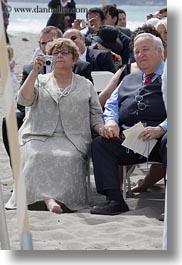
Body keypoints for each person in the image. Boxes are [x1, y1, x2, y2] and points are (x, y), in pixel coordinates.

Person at [6, 38, 104, 214]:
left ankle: (57, 198)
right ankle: (49, 199)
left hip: (73, 138)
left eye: (65, 52)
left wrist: (101, 128)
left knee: (69, 157)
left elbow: (95, 114)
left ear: (74, 59)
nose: (59, 55)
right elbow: (24, 99)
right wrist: (34, 73)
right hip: (38, 135)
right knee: (36, 155)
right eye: (55, 52)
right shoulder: (39, 80)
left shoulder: (85, 84)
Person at [90, 33, 167, 215]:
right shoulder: (128, 79)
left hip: (162, 135)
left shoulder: (173, 76)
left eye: (145, 50)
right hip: (132, 137)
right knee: (101, 144)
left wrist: (160, 129)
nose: (140, 55)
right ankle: (115, 200)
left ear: (160, 52)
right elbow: (111, 104)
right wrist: (110, 121)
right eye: (137, 51)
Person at [2, 26, 93, 162]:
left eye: (50, 41)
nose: (46, 46)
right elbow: (22, 103)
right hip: (38, 117)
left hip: (69, 119)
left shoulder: (81, 67)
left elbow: (87, 100)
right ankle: (17, 165)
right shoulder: (30, 68)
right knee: (10, 120)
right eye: (42, 43)